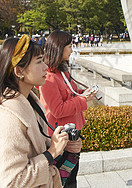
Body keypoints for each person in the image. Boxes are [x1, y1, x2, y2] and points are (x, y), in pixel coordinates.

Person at [0, 35, 72, 187]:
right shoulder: (7, 116)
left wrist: (64, 146)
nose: (45, 66)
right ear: (19, 71)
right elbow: (13, 180)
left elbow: (35, 149)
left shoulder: (30, 100)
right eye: (39, 61)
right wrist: (51, 153)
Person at [39, 30, 98, 188]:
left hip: (71, 132)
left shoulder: (61, 71)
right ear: (59, 48)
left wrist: (82, 94)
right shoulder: (49, 77)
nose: (72, 50)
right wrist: (83, 99)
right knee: (62, 180)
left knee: (71, 178)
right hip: (60, 136)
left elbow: (70, 94)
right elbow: (57, 109)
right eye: (70, 46)